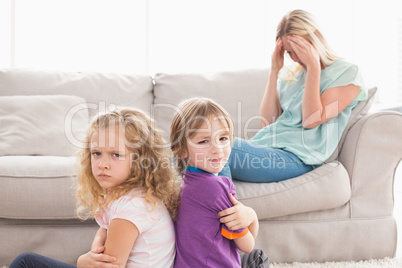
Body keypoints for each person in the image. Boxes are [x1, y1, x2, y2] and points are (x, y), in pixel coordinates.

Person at [10, 108, 180, 268]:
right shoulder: (133, 196)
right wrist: (98, 241)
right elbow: (105, 229)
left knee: (25, 262)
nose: (102, 164)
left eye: (115, 155)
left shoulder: (132, 208)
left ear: (139, 160)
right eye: (96, 153)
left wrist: (81, 262)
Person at [219, 9, 367, 183]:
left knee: (215, 145)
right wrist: (275, 70)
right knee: (191, 148)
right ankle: (218, 206)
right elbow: (267, 121)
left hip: (297, 157)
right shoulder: (293, 75)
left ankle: (223, 205)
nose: (295, 58)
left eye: (299, 49)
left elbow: (311, 120)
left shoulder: (347, 73)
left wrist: (314, 68)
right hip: (266, 145)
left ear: (316, 37)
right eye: (289, 52)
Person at [170, 97, 268, 267]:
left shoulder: (186, 185)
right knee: (258, 257)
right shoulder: (215, 187)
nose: (217, 148)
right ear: (182, 149)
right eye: (204, 141)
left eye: (223, 138)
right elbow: (246, 245)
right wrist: (251, 216)